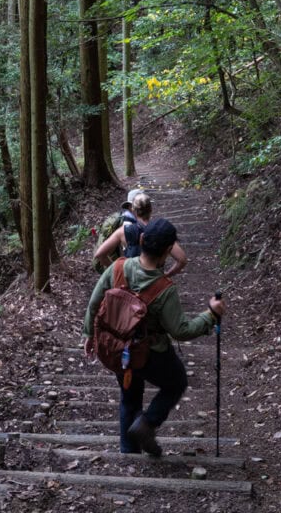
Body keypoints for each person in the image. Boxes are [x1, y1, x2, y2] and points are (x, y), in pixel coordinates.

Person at [83, 218, 225, 456]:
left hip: (118, 348)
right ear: (169, 251)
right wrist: (211, 314)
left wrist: (89, 334)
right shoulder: (164, 289)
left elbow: (95, 302)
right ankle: (147, 423)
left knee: (129, 397)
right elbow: (181, 330)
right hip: (150, 354)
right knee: (176, 382)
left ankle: (128, 454)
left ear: (141, 240)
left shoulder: (117, 268)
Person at [93, 190, 188, 277]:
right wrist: (166, 276)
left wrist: (117, 271)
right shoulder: (159, 230)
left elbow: (100, 254)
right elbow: (182, 260)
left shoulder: (123, 231)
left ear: (133, 210)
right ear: (151, 209)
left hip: (130, 280)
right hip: (155, 282)